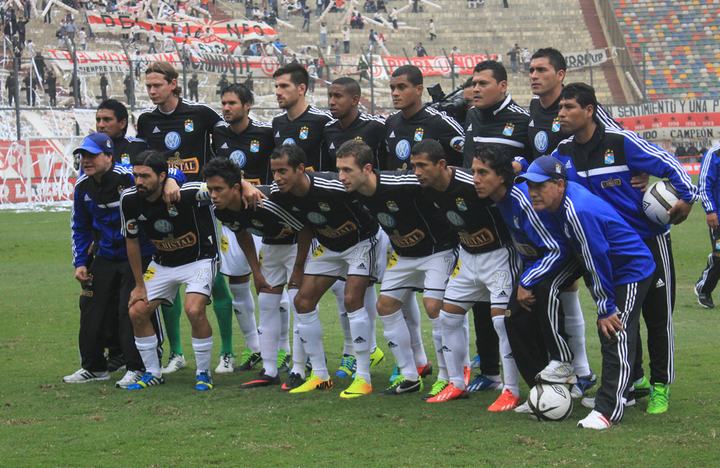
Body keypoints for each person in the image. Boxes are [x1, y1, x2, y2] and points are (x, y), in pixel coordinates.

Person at [552, 83, 698, 415]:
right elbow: (545, 177)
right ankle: (633, 380)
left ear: (589, 111)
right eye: (560, 107)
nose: (561, 113)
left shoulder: (620, 143)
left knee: (657, 316)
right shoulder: (563, 151)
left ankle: (660, 386)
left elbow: (669, 164)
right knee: (620, 316)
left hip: (649, 240)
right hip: (608, 249)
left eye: (569, 107)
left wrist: (688, 198)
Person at [516, 156, 656, 430]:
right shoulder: (555, 203)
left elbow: (596, 259)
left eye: (540, 186)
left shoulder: (577, 210)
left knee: (614, 331)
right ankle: (566, 363)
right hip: (599, 261)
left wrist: (606, 308)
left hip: (630, 268)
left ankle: (608, 410)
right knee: (546, 285)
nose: (533, 192)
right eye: (530, 186)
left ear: (559, 184)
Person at [473, 145, 594, 413]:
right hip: (537, 264)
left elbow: (556, 248)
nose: (476, 179)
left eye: (483, 173)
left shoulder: (522, 200)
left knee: (538, 297)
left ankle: (564, 366)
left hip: (563, 258)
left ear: (501, 177)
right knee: (513, 319)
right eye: (474, 172)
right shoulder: (499, 200)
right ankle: (542, 392)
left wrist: (526, 282)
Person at [135, 61, 238, 374]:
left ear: (173, 83)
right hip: (161, 207)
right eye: (148, 86)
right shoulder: (146, 120)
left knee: (214, 280)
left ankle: (228, 353)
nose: (152, 91)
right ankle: (177, 353)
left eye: (157, 85)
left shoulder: (201, 114)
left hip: (200, 204)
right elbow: (141, 161)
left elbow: (225, 148)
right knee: (170, 273)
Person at [337, 139, 457, 396]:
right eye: (339, 170)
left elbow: (441, 183)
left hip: (438, 249)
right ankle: (410, 375)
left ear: (367, 169)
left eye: (347, 170)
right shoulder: (350, 189)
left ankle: (448, 376)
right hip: (403, 255)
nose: (341, 177)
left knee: (433, 307)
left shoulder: (403, 183)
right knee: (386, 305)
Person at [409, 140, 522, 409]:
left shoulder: (472, 183)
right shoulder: (425, 189)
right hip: (467, 257)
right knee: (448, 317)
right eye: (413, 166)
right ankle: (457, 383)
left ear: (441, 165)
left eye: (422, 166)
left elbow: (511, 189)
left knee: (500, 322)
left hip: (499, 257)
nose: (417, 172)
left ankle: (511, 389)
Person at [65, 134, 182, 388]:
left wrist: (172, 180)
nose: (86, 161)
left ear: (109, 156)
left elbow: (168, 171)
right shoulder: (82, 186)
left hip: (139, 254)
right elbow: (80, 226)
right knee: (90, 308)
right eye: (83, 156)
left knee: (131, 307)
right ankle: (94, 367)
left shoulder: (128, 175)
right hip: (105, 255)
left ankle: (139, 367)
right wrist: (81, 262)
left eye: (92, 155)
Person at [270, 144, 381, 397]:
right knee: (303, 301)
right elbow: (304, 227)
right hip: (328, 246)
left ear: (300, 169)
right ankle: (320, 375)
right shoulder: (280, 193)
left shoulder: (334, 186)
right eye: (274, 172)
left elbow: (371, 196)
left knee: (352, 300)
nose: (277, 178)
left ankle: (363, 377)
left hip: (361, 242)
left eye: (282, 171)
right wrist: (298, 268)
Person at [204, 158, 308, 388]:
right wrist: (256, 271)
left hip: (297, 246)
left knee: (300, 303)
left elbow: (304, 228)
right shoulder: (222, 211)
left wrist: (299, 268)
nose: (213, 195)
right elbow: (242, 234)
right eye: (210, 190)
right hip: (271, 247)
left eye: (218, 189)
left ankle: (300, 369)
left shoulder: (263, 202)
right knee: (267, 303)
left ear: (236, 187)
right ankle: (269, 371)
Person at [121, 150, 218, 391]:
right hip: (162, 262)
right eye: (136, 176)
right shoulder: (129, 200)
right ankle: (153, 372)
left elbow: (224, 186)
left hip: (199, 259)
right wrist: (139, 285)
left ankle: (203, 372)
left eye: (145, 176)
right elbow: (131, 241)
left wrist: (245, 186)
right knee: (137, 311)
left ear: (162, 176)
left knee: (194, 309)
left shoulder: (190, 193)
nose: (139, 181)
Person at [213, 83, 282, 371]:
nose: (226, 108)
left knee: (271, 284)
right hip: (233, 217)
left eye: (232, 103)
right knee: (238, 283)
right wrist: (240, 184)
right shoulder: (217, 134)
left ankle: (280, 349)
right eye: (223, 103)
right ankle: (255, 348)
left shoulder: (265, 134)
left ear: (247, 105)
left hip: (261, 216)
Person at [384, 65, 465, 169]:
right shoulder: (390, 122)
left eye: (401, 87)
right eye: (392, 88)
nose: (395, 93)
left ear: (419, 90)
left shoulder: (440, 122)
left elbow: (467, 160)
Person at [271, 63, 333, 170]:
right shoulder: (277, 122)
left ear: (301, 89)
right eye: (276, 86)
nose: (277, 92)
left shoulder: (324, 120)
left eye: (284, 86)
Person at [696, 144, 720, 308]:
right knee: (719, 258)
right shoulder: (714, 154)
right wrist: (710, 210)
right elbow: (704, 185)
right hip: (718, 219)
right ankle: (704, 289)